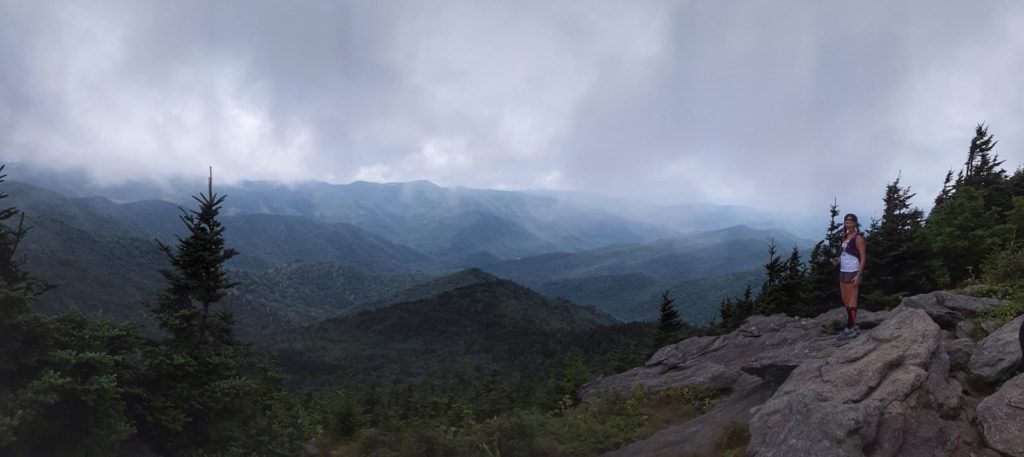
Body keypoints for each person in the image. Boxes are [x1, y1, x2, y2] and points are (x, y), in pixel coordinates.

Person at [836, 213, 866, 341]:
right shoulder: (845, 236)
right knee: (845, 299)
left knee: (852, 300)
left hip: (853, 271)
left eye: (850, 222)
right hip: (843, 270)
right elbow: (845, 253)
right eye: (846, 222)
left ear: (855, 223)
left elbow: (863, 258)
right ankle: (852, 325)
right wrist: (838, 260)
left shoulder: (858, 238)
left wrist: (858, 275)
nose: (848, 224)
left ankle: (849, 328)